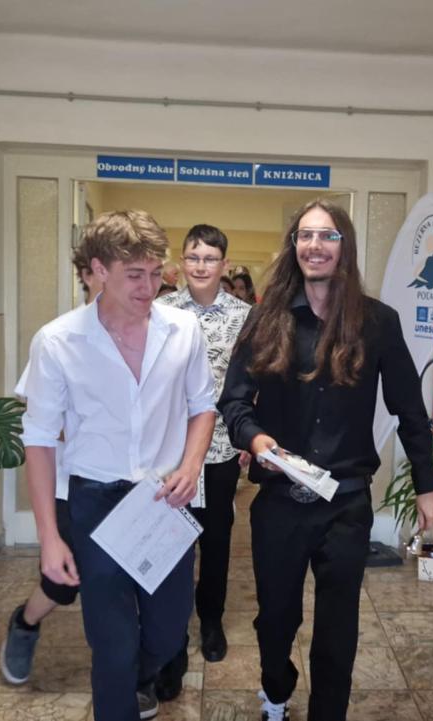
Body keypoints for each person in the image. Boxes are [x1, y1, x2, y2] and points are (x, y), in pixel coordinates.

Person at [219, 199, 433, 721]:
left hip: (346, 502)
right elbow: (233, 402)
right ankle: (276, 690)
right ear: (293, 246)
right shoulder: (265, 319)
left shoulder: (378, 322)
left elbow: (409, 409)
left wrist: (427, 485)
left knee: (338, 629)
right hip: (279, 501)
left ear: (344, 247)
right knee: (276, 620)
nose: (315, 245)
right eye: (305, 235)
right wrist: (256, 439)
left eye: (327, 236)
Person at [12, 209, 217, 721]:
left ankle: (137, 681)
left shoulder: (183, 329)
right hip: (96, 500)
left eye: (156, 273)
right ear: (98, 270)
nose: (150, 288)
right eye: (135, 275)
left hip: (162, 500)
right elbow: (39, 440)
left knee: (169, 632)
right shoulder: (58, 341)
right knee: (112, 643)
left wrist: (192, 465)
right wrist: (49, 537)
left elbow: (202, 406)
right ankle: (120, 690)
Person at [153, 225, 252, 698]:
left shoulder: (245, 317)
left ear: (224, 264)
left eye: (210, 258)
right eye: (193, 257)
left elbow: (255, 382)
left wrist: (250, 437)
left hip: (222, 448)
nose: (200, 266)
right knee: (171, 544)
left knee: (215, 540)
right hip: (171, 450)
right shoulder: (161, 310)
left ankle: (211, 621)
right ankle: (170, 639)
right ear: (182, 260)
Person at [0, 245, 103, 686]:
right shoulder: (60, 339)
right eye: (102, 271)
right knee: (65, 582)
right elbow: (41, 423)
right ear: (87, 275)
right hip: (71, 484)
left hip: (129, 486)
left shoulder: (148, 334)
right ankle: (25, 622)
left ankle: (126, 674)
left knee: (128, 581)